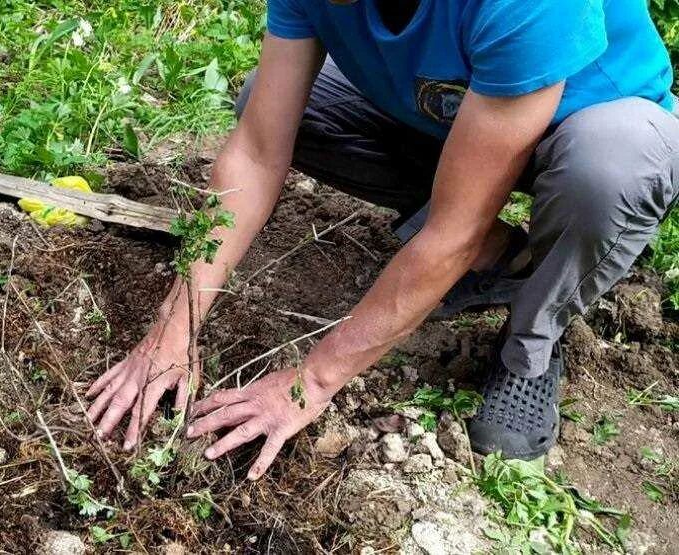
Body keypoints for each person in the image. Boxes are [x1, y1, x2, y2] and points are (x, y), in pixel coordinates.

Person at [86, 0, 679, 479]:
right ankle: (504, 254)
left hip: (590, 123)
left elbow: (451, 233)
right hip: (462, 108)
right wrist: (174, 328)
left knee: (609, 172)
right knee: (280, 107)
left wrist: (309, 382)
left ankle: (533, 341)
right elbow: (258, 151)